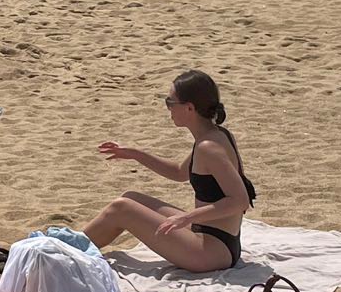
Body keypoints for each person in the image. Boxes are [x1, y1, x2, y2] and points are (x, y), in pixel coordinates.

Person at [82, 70, 254, 272]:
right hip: (215, 238)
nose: (168, 109)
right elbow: (179, 172)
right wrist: (135, 154)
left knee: (121, 208)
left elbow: (240, 201)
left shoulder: (208, 147)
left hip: (211, 252)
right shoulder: (213, 135)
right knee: (131, 198)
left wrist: (187, 218)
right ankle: (73, 246)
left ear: (189, 108)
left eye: (170, 102)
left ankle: (64, 251)